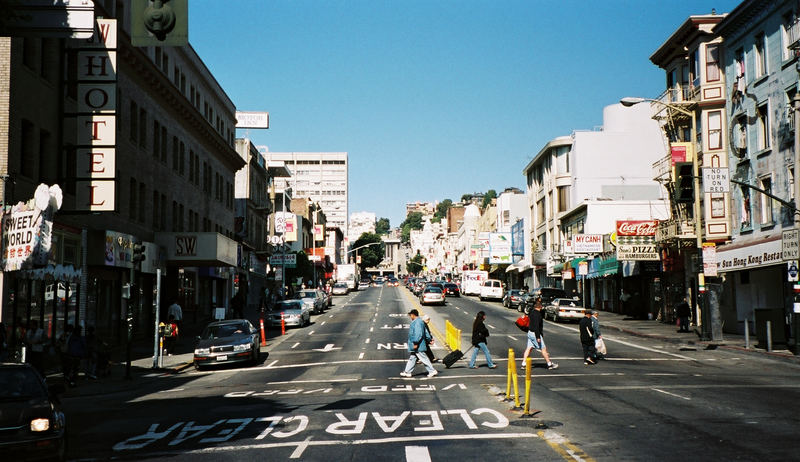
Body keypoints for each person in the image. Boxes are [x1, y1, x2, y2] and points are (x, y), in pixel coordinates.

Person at [522, 298, 558, 370]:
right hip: (535, 334)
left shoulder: (531, 313)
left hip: (530, 332)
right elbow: (536, 327)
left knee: (529, 348)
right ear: (540, 307)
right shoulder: (538, 315)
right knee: (543, 349)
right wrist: (538, 337)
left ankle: (523, 363)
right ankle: (549, 364)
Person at [400, 309, 438, 378]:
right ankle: (407, 372)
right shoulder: (421, 322)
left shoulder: (417, 322)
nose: (410, 317)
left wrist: (416, 343)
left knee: (423, 358)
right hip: (418, 345)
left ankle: (432, 371)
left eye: (410, 315)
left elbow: (418, 334)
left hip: (418, 345)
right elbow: (426, 332)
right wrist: (429, 339)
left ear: (413, 315)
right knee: (412, 358)